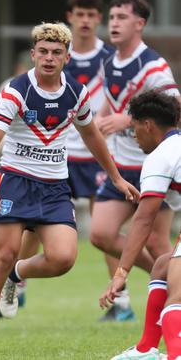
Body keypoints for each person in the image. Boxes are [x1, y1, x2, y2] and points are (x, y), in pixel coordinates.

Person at [0, 22, 139, 354]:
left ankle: (16, 276)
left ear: (66, 57)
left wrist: (116, 177)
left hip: (55, 186)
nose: (48, 58)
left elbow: (92, 136)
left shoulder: (75, 92)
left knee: (63, 258)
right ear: (33, 55)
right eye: (42, 52)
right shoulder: (16, 90)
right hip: (15, 181)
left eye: (56, 52)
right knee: (1, 256)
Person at [0, 0, 128, 321]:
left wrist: (110, 119)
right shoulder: (48, 59)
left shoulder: (109, 57)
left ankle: (120, 301)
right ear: (70, 17)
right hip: (54, 154)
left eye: (91, 15)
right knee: (31, 227)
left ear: (97, 19)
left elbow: (119, 95)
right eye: (79, 14)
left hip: (94, 151)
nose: (85, 20)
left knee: (103, 227)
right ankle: (17, 284)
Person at [89, 0, 179, 323]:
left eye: (121, 17)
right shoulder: (110, 62)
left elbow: (174, 109)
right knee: (100, 233)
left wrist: (125, 120)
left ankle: (172, 290)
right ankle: (167, 279)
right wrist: (98, 121)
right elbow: (108, 105)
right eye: (111, 17)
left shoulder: (153, 66)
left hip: (152, 167)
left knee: (157, 241)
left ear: (139, 24)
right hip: (121, 167)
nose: (113, 22)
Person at [98, 91, 180, 360]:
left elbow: (144, 219)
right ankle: (146, 349)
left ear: (148, 125)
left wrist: (121, 273)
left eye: (134, 127)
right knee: (162, 266)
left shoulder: (160, 156)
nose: (133, 135)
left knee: (177, 297)